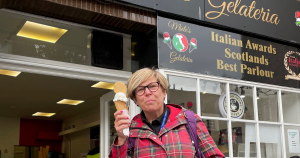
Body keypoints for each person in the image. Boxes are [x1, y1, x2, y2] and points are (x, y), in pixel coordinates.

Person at [109, 67, 224, 158]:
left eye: (153, 86)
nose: (148, 92)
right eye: (140, 89)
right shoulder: (130, 130)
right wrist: (122, 138)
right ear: (135, 100)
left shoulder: (189, 120)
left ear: (164, 92)